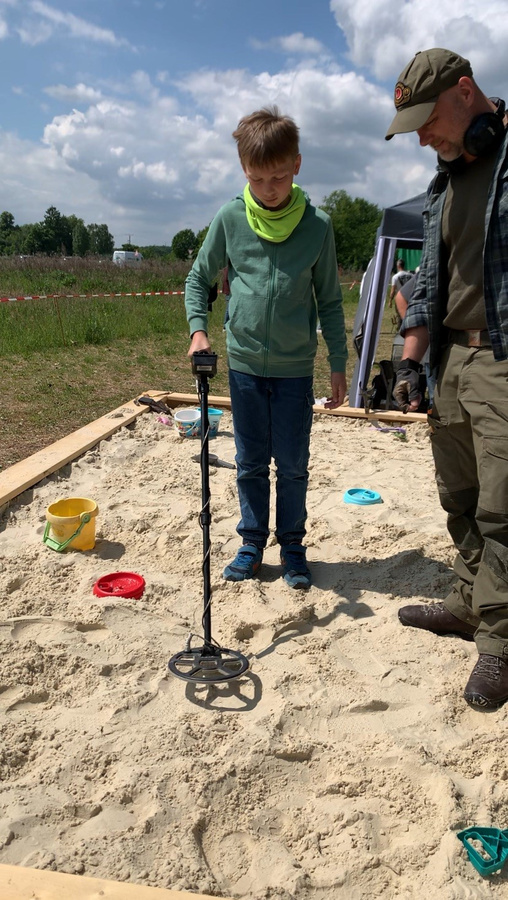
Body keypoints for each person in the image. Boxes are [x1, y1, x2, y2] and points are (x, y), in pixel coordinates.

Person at [386, 47, 508, 710]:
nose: (422, 138)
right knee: (459, 496)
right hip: (450, 360)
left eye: (427, 121)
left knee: (503, 508)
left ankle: (500, 643)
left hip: (502, 359)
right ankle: (467, 601)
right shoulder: (443, 185)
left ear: (466, 92)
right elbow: (430, 283)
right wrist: (410, 359)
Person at [185, 106, 347, 590]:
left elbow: (330, 301)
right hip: (245, 366)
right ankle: (252, 543)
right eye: (257, 179)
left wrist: (338, 365)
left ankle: (293, 547)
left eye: (278, 176)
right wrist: (198, 331)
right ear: (243, 170)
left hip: (295, 369)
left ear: (296, 164)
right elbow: (198, 278)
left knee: (293, 465)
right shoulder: (230, 217)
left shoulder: (318, 225)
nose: (268, 189)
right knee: (250, 462)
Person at [393, 272, 436, 407]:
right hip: (440, 359)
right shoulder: (437, 263)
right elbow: (401, 297)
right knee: (438, 407)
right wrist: (407, 369)